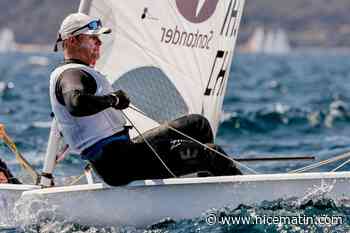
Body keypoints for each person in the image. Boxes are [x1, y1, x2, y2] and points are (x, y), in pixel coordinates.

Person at [41, 13, 241, 187]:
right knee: (212, 154)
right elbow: (76, 103)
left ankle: (198, 184)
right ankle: (245, 200)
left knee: (197, 125)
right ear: (73, 41)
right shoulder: (71, 75)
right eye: (94, 38)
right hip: (118, 165)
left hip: (127, 153)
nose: (99, 43)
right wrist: (113, 100)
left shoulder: (80, 72)